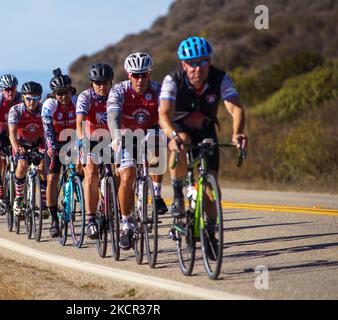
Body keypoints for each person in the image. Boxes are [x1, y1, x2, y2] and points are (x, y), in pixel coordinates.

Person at [158, 36, 247, 256]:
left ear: (209, 61)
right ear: (184, 64)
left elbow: (236, 109)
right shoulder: (173, 80)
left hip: (206, 129)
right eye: (192, 64)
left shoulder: (220, 78)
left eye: (203, 62)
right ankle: (178, 192)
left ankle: (210, 231)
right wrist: (171, 135)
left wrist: (238, 133)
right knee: (183, 142)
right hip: (179, 126)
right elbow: (163, 113)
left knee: (210, 185)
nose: (198, 68)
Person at [107, 52, 168, 251]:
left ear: (150, 73)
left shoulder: (158, 90)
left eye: (144, 75)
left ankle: (156, 195)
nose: (139, 79)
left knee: (160, 142)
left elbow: (166, 115)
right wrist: (116, 136)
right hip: (125, 136)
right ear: (128, 74)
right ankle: (126, 224)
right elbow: (113, 115)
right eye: (135, 75)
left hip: (150, 132)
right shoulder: (119, 90)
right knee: (127, 176)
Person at [76, 63, 114, 240]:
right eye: (98, 82)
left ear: (111, 83)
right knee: (91, 173)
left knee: (122, 172)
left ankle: (115, 209)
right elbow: (80, 123)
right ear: (92, 83)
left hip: (112, 139)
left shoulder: (115, 95)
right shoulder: (85, 97)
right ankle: (91, 219)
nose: (102, 86)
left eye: (105, 82)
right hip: (90, 138)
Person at [42, 68, 78, 237]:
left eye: (66, 92)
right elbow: (47, 126)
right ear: (54, 94)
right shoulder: (50, 104)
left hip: (72, 142)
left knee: (85, 170)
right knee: (52, 179)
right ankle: (54, 220)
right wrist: (50, 145)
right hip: (54, 143)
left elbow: (84, 123)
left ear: (71, 90)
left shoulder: (77, 101)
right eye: (59, 94)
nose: (63, 97)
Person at [8, 81, 47, 217]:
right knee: (23, 165)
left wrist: (45, 148)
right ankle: (18, 198)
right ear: (23, 97)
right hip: (21, 144)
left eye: (35, 98)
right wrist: (17, 148)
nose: (32, 102)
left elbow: (48, 132)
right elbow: (12, 133)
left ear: (40, 98)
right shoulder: (16, 110)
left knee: (43, 167)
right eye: (29, 98)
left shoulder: (43, 109)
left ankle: (43, 203)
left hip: (38, 143)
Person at [0, 74, 22, 214]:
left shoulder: (21, 99)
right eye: (6, 89)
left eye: (12, 89)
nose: (10, 92)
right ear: (1, 90)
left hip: (16, 132)